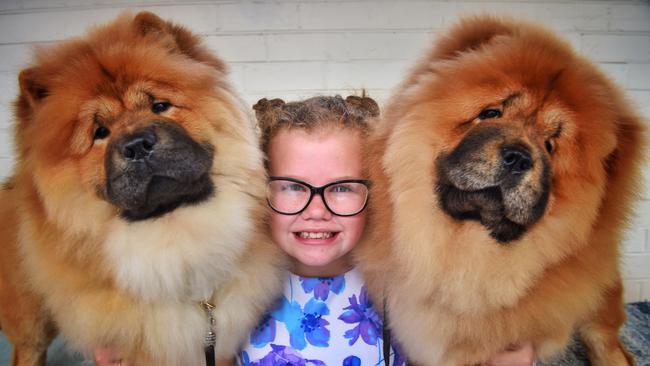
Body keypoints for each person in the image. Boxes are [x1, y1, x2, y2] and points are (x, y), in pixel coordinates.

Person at [94, 95, 534, 366]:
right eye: (291, 187)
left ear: (375, 190)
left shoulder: (406, 284)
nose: (316, 210)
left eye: (341, 187)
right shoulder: (233, 287)